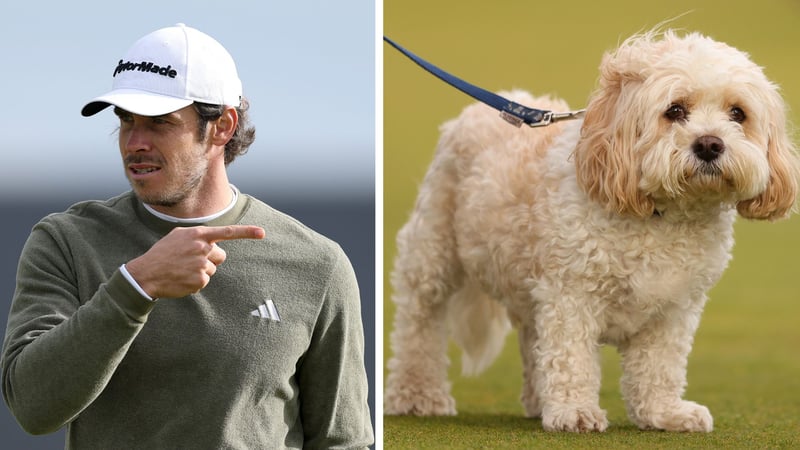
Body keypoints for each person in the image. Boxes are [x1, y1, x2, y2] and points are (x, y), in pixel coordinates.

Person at [1, 23, 373, 449]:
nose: (134, 142)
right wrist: (136, 286)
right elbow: (32, 408)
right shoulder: (65, 241)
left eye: (159, 123)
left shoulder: (318, 265)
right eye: (126, 121)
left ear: (222, 127)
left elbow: (344, 441)